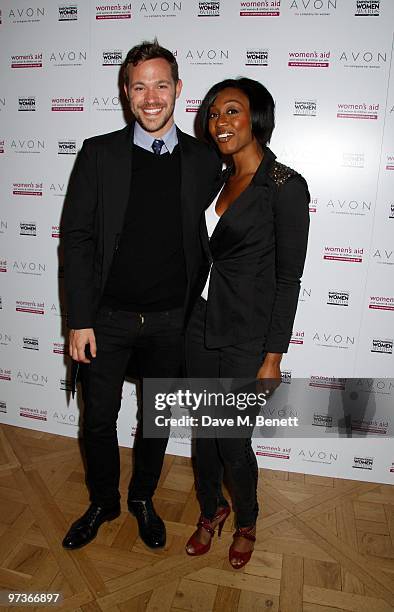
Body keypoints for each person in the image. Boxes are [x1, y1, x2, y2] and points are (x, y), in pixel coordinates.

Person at [61, 40, 221, 550]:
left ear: (178, 90)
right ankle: (104, 501)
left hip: (173, 321)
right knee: (98, 421)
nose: (151, 98)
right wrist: (79, 319)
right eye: (139, 86)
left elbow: (244, 201)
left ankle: (141, 500)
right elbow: (78, 239)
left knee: (155, 421)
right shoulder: (99, 153)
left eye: (160, 85)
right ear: (126, 94)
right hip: (105, 319)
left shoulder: (205, 160)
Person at [185, 78, 310, 568]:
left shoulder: (284, 186)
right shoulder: (216, 179)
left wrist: (273, 356)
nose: (221, 122)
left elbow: (289, 279)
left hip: (247, 337)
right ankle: (211, 510)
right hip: (199, 325)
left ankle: (246, 521)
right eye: (214, 113)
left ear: (256, 117)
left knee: (231, 440)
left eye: (232, 111)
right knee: (202, 432)